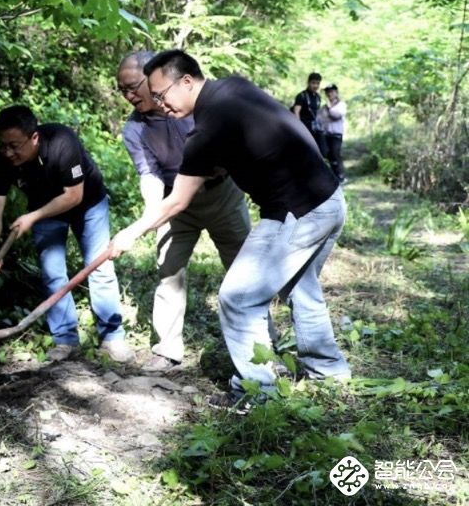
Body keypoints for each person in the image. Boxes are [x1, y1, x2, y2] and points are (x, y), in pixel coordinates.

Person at [112, 50, 350, 408]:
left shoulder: (207, 129)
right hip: (329, 199)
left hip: (297, 212)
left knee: (238, 298)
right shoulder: (234, 88)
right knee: (302, 289)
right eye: (155, 97)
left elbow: (177, 201)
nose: (160, 104)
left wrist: (130, 233)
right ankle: (329, 374)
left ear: (187, 81)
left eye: (161, 95)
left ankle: (257, 395)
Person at [116, 51, 253, 373]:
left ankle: (260, 347)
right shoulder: (134, 130)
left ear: (154, 79)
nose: (129, 96)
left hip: (221, 195)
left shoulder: (195, 106)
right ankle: (167, 349)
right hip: (173, 204)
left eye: (133, 87)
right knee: (168, 270)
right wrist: (151, 215)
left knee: (244, 270)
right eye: (122, 91)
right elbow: (149, 175)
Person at [0, 104, 134, 363]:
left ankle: (112, 337)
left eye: (14, 146)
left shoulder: (62, 142)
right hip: (45, 209)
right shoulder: (1, 162)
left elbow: (73, 196)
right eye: (2, 145)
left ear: (34, 137)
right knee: (52, 273)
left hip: (88, 203)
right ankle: (65, 340)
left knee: (99, 267)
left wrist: (32, 217)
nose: (8, 152)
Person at [291, 72, 327, 157]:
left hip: (315, 128)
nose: (315, 86)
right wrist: (299, 127)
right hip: (304, 127)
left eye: (318, 83)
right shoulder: (301, 96)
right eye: (313, 83)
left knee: (323, 150)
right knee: (305, 151)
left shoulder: (318, 97)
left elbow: (317, 112)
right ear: (308, 82)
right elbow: (296, 112)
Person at [318, 84, 346, 182]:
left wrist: (329, 108)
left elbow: (336, 116)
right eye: (327, 92)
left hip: (336, 134)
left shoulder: (341, 105)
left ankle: (341, 175)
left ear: (336, 93)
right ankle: (335, 176)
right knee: (328, 155)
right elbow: (319, 118)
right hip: (326, 134)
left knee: (335, 153)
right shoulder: (324, 107)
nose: (329, 94)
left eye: (331, 91)